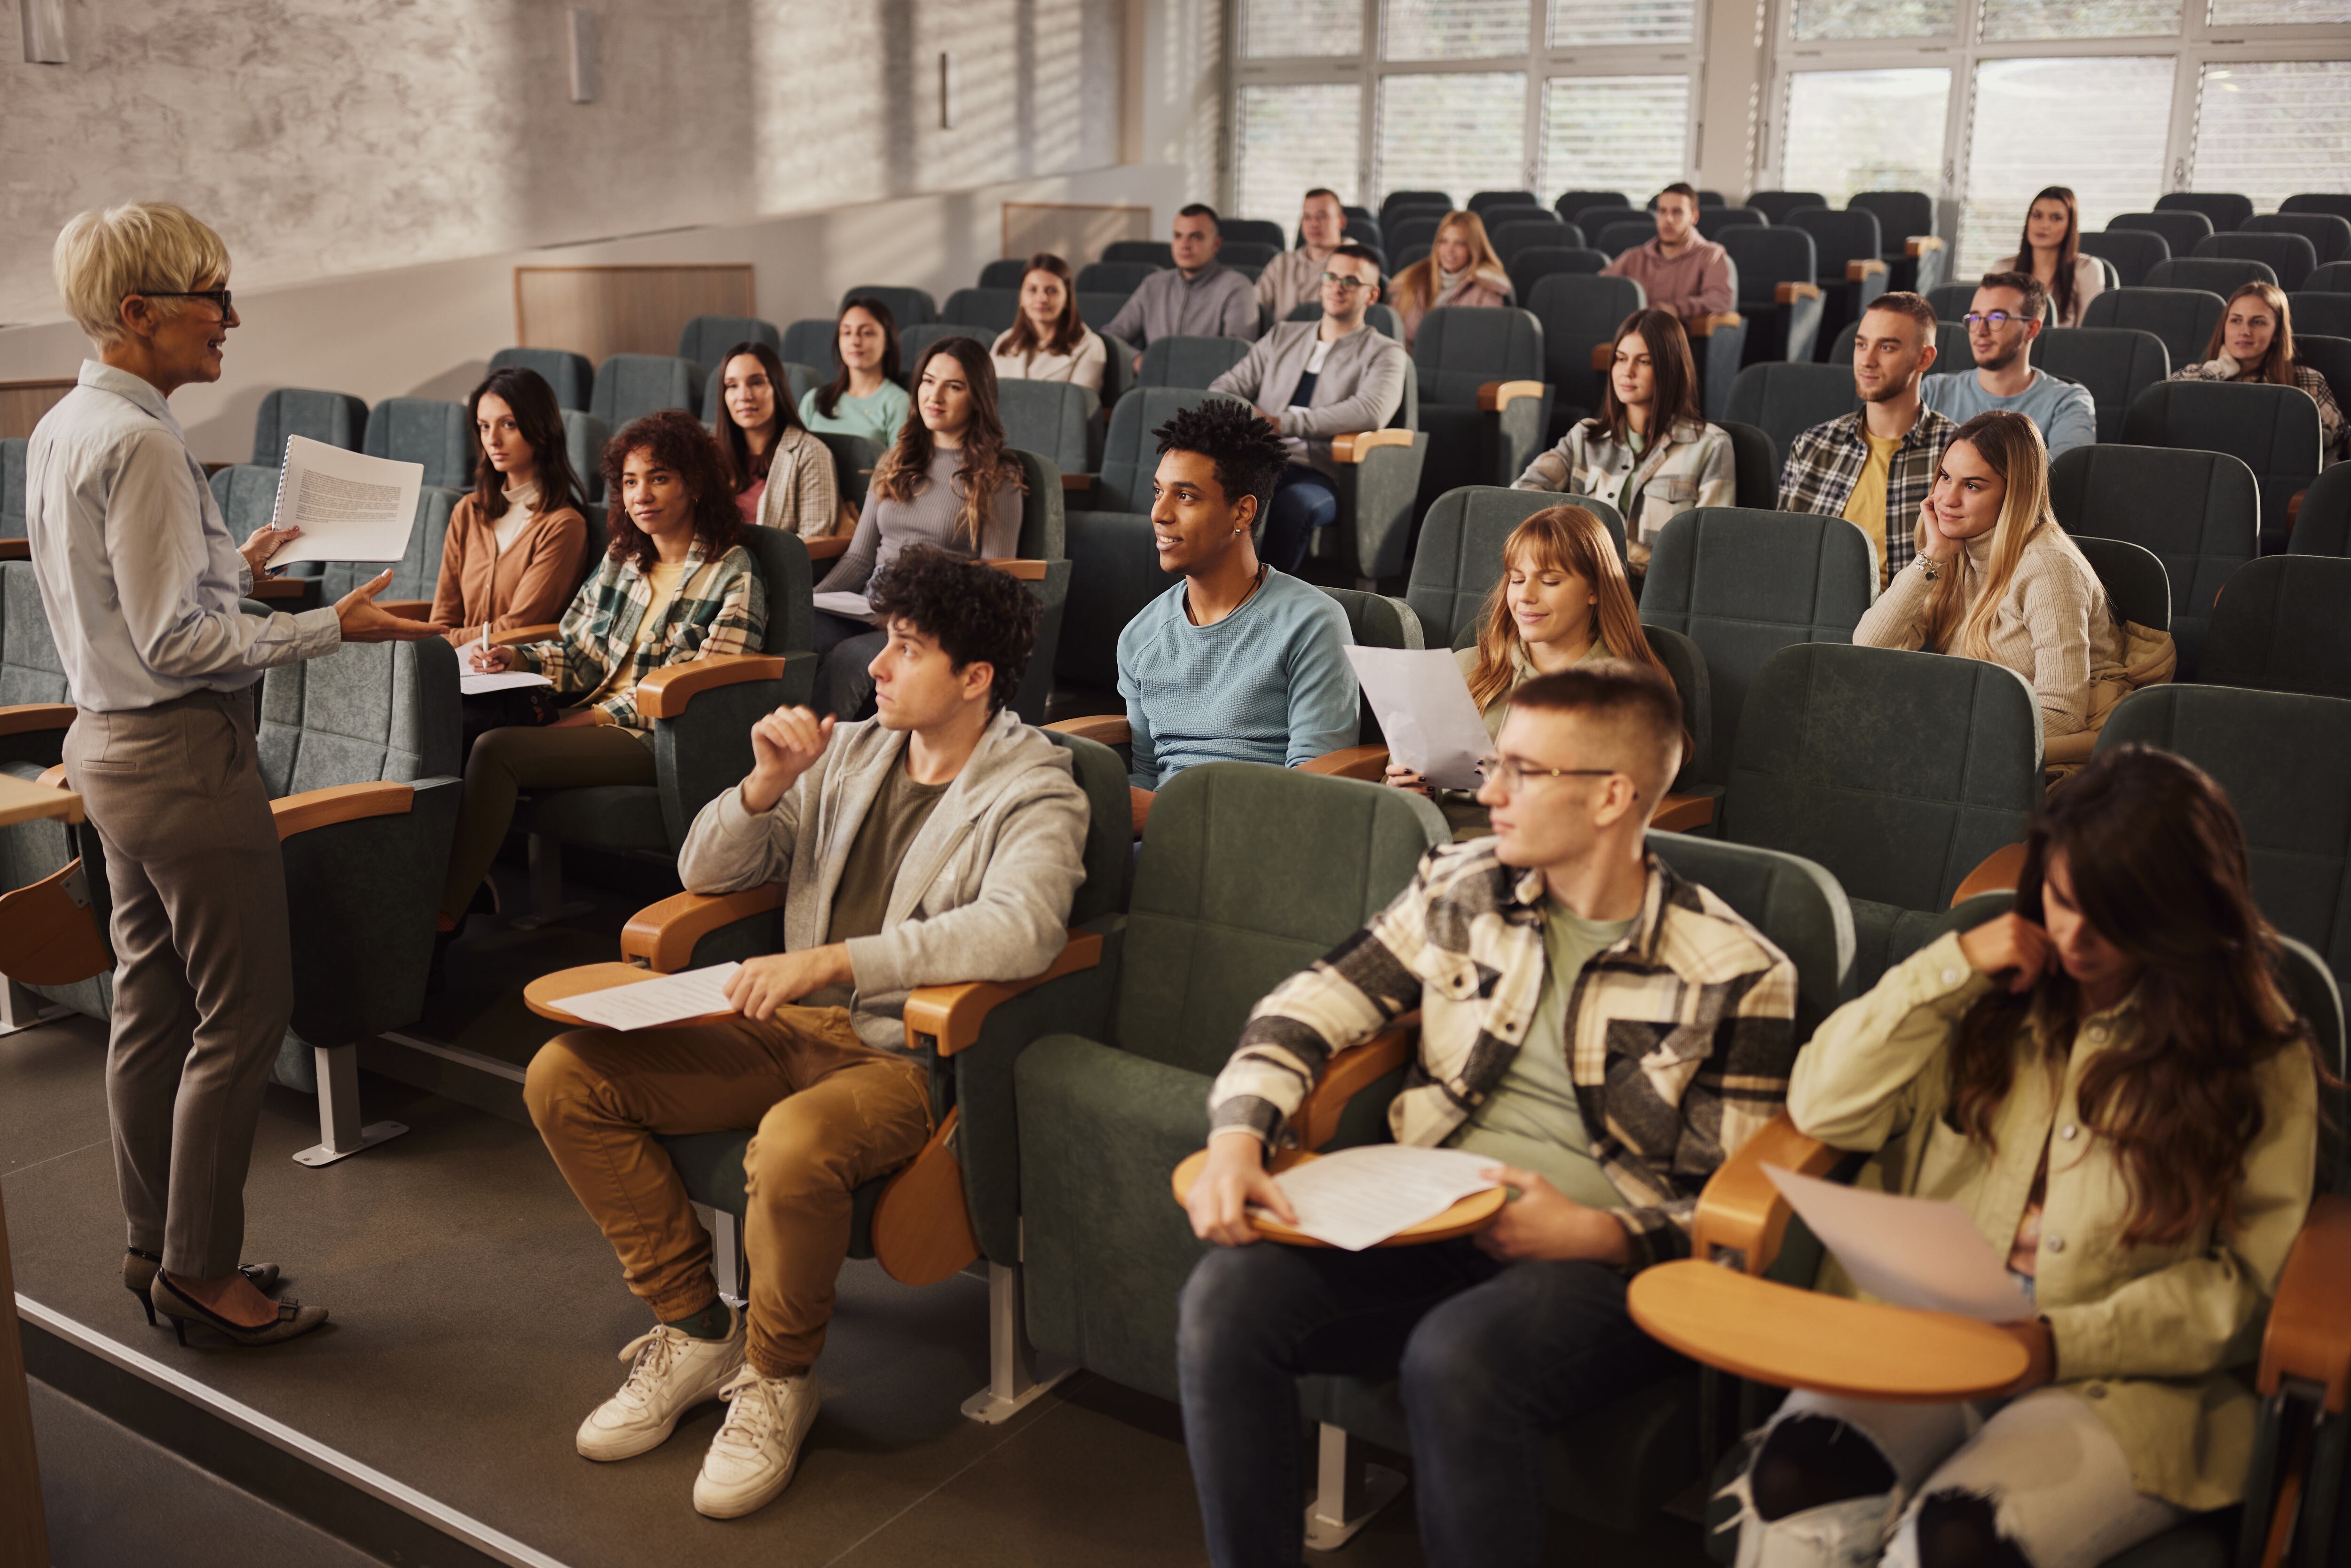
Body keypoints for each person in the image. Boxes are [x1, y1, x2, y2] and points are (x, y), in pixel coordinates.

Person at [1179, 663, 1799, 1568]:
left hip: (1604, 1266)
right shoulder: (1461, 882)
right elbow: (1308, 1006)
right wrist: (1240, 1133)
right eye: (1492, 764)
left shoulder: (1736, 972)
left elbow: (1730, 1220)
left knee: (1455, 1359)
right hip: (1424, 1215)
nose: (1490, 792)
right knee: (1223, 1305)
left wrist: (1596, 1234)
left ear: (1611, 797)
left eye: (1522, 771)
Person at [526, 546, 1089, 1521]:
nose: (874, 664)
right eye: (882, 640)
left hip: (900, 1052)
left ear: (975, 676)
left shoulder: (1037, 782)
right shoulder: (854, 749)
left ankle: (780, 1376)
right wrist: (761, 781)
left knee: (789, 1145)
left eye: (905, 647)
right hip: (779, 1026)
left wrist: (838, 959)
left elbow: (1024, 925)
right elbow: (707, 864)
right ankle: (697, 1327)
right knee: (564, 1076)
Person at [1719, 744, 2320, 1568]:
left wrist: (2062, 1341)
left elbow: (2246, 1287)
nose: (2075, 936)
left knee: (1959, 1544)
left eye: (2114, 917)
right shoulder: (1983, 989)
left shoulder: (2256, 1055)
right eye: (2063, 901)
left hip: (2121, 1377)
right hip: (1930, 1324)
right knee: (1792, 1481)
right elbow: (1822, 1104)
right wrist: (1948, 966)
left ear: (2179, 916)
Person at [27, 202, 437, 1346]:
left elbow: (123, 609)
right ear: (138, 312)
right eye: (213, 300)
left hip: (110, 751)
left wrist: (230, 565)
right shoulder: (144, 439)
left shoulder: (66, 424)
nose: (233, 319)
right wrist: (327, 630)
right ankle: (203, 1274)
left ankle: (157, 1244)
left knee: (151, 1008)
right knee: (241, 1014)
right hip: (181, 758)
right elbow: (174, 646)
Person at [443, 411, 766, 925]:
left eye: (659, 478)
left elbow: (703, 695)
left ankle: (440, 917)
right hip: (585, 713)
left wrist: (587, 721)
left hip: (657, 738)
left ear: (696, 484)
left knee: (497, 749)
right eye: (630, 482)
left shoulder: (732, 573)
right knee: (448, 723)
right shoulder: (623, 557)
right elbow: (579, 648)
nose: (641, 495)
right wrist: (519, 657)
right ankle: (437, 887)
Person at [1854, 410, 2171, 774]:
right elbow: (1867, 649)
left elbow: (2062, 713)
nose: (1947, 499)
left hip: (2042, 756)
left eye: (1972, 486)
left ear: (2014, 493)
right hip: (1977, 733)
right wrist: (1931, 558)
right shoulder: (1952, 548)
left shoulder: (2048, 568)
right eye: (1945, 477)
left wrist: (1951, 733)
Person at [1117, 399, 1358, 825]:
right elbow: (1147, 774)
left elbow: (1314, 790)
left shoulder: (1313, 622)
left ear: (1243, 511)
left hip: (1255, 844)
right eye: (1159, 492)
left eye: (1185, 496)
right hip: (1159, 839)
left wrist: (1165, 815)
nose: (1159, 513)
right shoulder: (1140, 636)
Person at [1386, 505, 1672, 839]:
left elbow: (1625, 811)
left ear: (1595, 589)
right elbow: (1398, 784)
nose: (1525, 596)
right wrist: (1415, 791)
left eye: (1550, 581)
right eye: (1517, 579)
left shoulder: (1627, 693)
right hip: (1436, 846)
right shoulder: (1467, 666)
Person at [810, 337, 1026, 720]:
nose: (935, 395)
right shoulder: (894, 459)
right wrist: (809, 602)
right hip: (868, 604)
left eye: (954, 386)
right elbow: (859, 558)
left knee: (849, 659)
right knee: (797, 635)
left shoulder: (997, 477)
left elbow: (995, 583)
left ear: (978, 398)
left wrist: (913, 614)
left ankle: (822, 767)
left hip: (930, 618)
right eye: (928, 381)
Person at [1206, 243, 1406, 571]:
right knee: (1211, 495)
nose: (1338, 286)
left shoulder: (1385, 352)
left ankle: (1266, 604)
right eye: (1332, 276)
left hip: (1322, 474)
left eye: (1351, 281)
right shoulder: (1282, 335)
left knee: (1293, 506)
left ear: (1372, 296)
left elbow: (1371, 410)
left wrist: (1281, 423)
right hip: (1259, 461)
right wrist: (1254, 420)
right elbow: (1223, 390)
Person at [1514, 308, 1732, 576]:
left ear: (1670, 369)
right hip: (1586, 591)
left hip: (1660, 599)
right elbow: (1521, 496)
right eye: (1620, 359)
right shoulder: (1584, 436)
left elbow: (1709, 550)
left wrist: (1605, 550)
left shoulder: (1712, 446)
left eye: (1644, 362)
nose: (1626, 372)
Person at [1779, 292, 1957, 590]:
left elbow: (1968, 574)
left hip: (1913, 618)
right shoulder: (1812, 445)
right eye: (1862, 345)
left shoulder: (1956, 454)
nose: (1867, 360)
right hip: (1816, 612)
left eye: (1886, 347)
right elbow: (1784, 555)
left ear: (1924, 358)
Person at [428, 365, 591, 649]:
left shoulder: (564, 525)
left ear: (540, 430)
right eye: (484, 426)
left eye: (508, 425)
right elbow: (443, 617)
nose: (492, 440)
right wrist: (438, 642)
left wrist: (439, 642)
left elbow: (517, 627)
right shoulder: (468, 511)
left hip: (515, 678)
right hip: (456, 669)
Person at [1920, 272, 2097, 459]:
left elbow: (2067, 469)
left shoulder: (2067, 402)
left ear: (2032, 329)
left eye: (1997, 317)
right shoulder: (1934, 390)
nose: (1980, 331)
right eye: (1974, 318)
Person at [2171, 281, 2346, 461]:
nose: (2245, 331)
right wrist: (2223, 366)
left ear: (2277, 333)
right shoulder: (2198, 374)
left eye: (2258, 322)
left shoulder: (2308, 381)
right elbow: (2165, 405)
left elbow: (2341, 442)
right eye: (2236, 320)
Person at [1103, 204, 1260, 368]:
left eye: (1196, 237)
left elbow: (1237, 355)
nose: (1184, 245)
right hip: (1153, 385)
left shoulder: (1237, 287)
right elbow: (1112, 336)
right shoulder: (1154, 285)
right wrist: (1138, 361)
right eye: (1178, 236)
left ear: (1216, 245)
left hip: (1207, 388)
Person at [714, 340, 841, 537]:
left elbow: (815, 539)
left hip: (772, 568)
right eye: (732, 386)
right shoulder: (713, 456)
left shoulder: (810, 453)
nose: (744, 396)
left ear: (777, 388)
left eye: (756, 383)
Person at [1601, 182, 1734, 324]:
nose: (1668, 219)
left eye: (1677, 212)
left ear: (1694, 217)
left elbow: (1721, 300)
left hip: (1679, 341)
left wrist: (1678, 309)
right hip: (1632, 337)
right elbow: (1599, 290)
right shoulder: (1633, 256)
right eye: (1662, 211)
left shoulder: (1711, 255)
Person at [796, 297, 911, 448]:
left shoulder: (899, 403)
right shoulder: (814, 399)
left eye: (867, 333)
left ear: (888, 341)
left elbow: (898, 468)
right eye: (847, 332)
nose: (855, 341)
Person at [1389, 209, 1513, 349]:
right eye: (1444, 241)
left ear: (1474, 248)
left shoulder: (1489, 289)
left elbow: (1486, 346)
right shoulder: (1414, 280)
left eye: (1459, 244)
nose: (1449, 251)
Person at [989, 252, 1106, 394]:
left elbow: (1078, 410)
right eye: (1032, 290)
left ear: (1068, 299)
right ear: (1021, 297)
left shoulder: (1090, 346)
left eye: (1052, 291)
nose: (1042, 298)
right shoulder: (1004, 342)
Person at [1994, 185, 2102, 330]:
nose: (2044, 225)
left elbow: (2087, 335)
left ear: (2070, 226)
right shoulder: (2003, 268)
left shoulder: (2087, 269)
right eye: (2037, 216)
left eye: (2056, 218)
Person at [1255, 187, 1350, 322]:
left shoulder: (1358, 265)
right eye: (1307, 217)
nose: (1314, 224)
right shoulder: (1282, 263)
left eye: (1322, 217)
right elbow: (1256, 306)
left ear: (1341, 222)